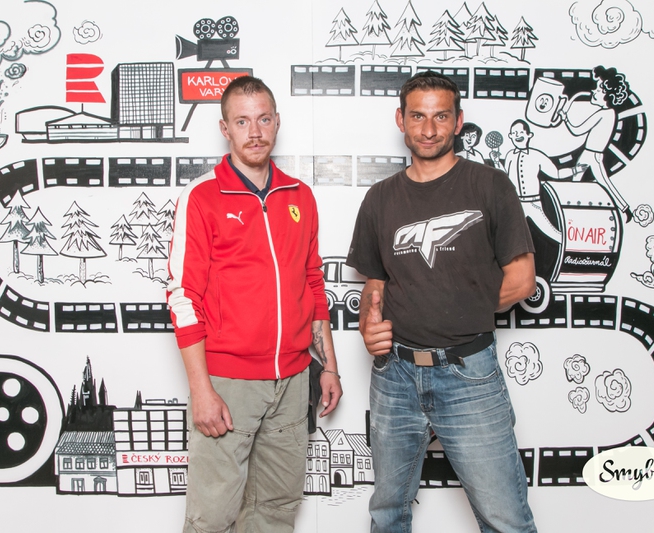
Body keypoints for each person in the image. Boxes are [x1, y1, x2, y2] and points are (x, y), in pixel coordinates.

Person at [347, 71, 538, 533]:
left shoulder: (490, 186)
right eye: (418, 116)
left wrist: (453, 306)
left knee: (505, 519)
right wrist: (369, 323)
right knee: (387, 513)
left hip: (467, 373)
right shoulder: (380, 198)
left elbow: (522, 280)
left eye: (441, 117)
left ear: (458, 121)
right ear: (401, 120)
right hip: (394, 375)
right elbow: (374, 282)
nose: (429, 129)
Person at [167, 76, 342, 533]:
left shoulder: (299, 195)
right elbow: (184, 297)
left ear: (277, 122)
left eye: (263, 119)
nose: (255, 132)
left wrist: (329, 367)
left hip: (292, 381)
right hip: (229, 384)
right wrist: (201, 390)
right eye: (242, 122)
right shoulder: (202, 196)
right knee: (212, 517)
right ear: (225, 128)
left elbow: (313, 284)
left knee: (275, 511)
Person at [558, 65, 633, 222]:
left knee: (594, 183)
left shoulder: (604, 114)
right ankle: (623, 208)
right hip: (591, 154)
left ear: (607, 95)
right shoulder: (610, 113)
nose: (593, 91)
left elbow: (577, 130)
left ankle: (623, 209)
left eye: (598, 89)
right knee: (581, 182)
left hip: (592, 155)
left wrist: (565, 118)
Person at [493, 119, 585, 242]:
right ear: (510, 136)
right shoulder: (510, 155)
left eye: (521, 132)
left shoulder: (536, 155)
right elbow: (506, 177)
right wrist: (496, 162)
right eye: (514, 133)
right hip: (515, 204)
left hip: (534, 203)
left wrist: (575, 170)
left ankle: (570, 246)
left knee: (553, 233)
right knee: (507, 236)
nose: (517, 135)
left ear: (529, 135)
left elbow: (556, 174)